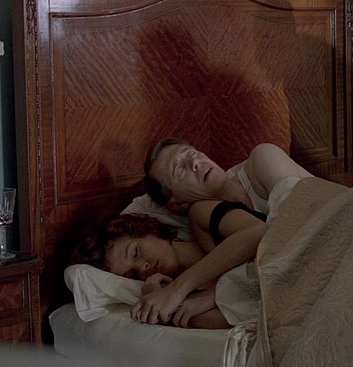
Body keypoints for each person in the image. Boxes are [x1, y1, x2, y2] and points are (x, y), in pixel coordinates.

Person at [71, 201, 267, 328]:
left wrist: (177, 289)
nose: (143, 268)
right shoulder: (187, 302)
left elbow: (262, 234)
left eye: (136, 252)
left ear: (147, 230)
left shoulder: (201, 218)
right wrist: (165, 309)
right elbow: (255, 315)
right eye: (132, 275)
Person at [144, 140, 313, 215]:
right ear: (177, 204)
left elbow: (303, 217)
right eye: (179, 170)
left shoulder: (262, 159)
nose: (194, 162)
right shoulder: (207, 227)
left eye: (192, 153)